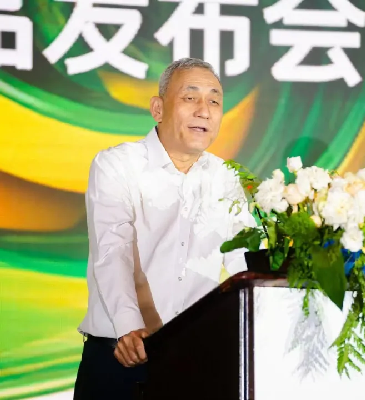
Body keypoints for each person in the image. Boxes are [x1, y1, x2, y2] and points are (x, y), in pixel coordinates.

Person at [73, 58, 256, 400]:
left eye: (214, 101)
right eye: (190, 97)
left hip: (195, 359)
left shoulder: (226, 177)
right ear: (158, 109)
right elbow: (112, 250)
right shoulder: (118, 164)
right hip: (121, 355)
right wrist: (129, 327)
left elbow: (243, 262)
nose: (204, 110)